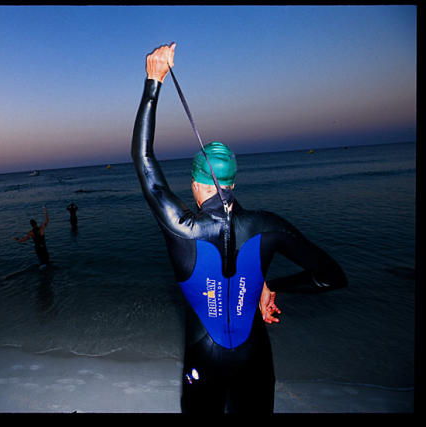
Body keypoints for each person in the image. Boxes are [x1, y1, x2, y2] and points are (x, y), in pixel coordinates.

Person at [131, 42, 347, 414]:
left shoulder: (183, 228)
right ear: (232, 183)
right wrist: (273, 285)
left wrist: (154, 81)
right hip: (255, 360)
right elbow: (332, 277)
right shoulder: (268, 225)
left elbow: (144, 159)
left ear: (196, 183)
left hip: (204, 359)